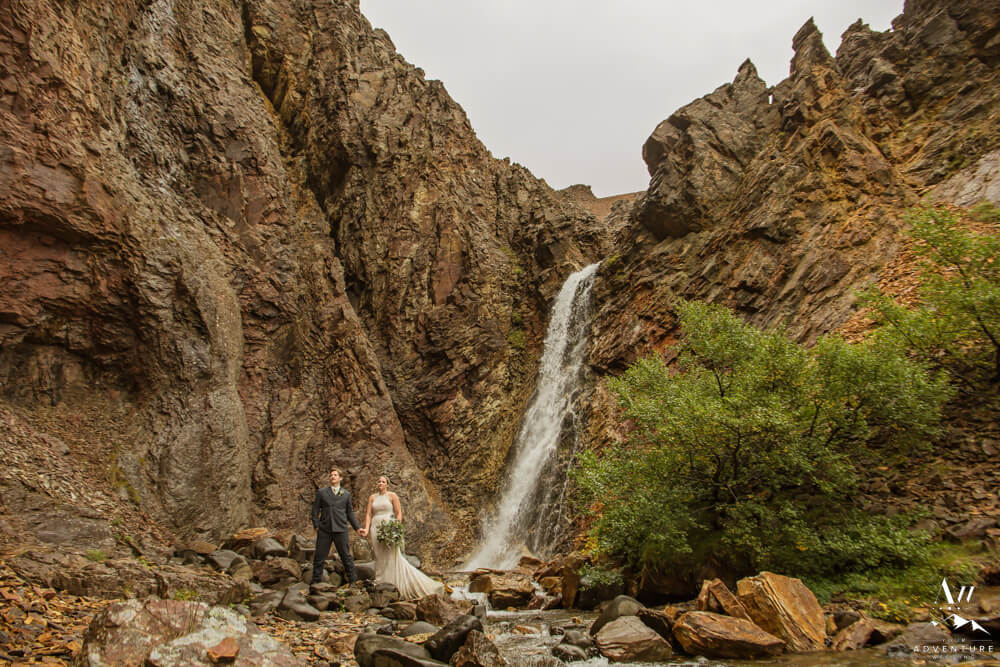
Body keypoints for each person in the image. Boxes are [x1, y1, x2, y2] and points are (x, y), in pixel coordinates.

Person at [362, 475, 443, 599]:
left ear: (387, 484)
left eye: (383, 481)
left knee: (391, 554)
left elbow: (399, 513)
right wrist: (367, 529)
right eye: (379, 481)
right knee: (379, 555)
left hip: (388, 526)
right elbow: (368, 514)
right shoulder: (372, 497)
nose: (380, 483)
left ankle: (393, 582)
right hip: (375, 527)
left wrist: (396, 526)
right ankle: (380, 581)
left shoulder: (392, 496)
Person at [310, 468, 361, 586]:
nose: (332, 477)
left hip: (341, 529)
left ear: (340, 478)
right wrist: (316, 525)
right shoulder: (322, 492)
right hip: (325, 529)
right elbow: (315, 510)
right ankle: (316, 581)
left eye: (335, 475)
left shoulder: (346, 494)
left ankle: (353, 581)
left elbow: (350, 513)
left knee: (346, 556)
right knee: (319, 556)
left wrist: (357, 528)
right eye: (331, 475)